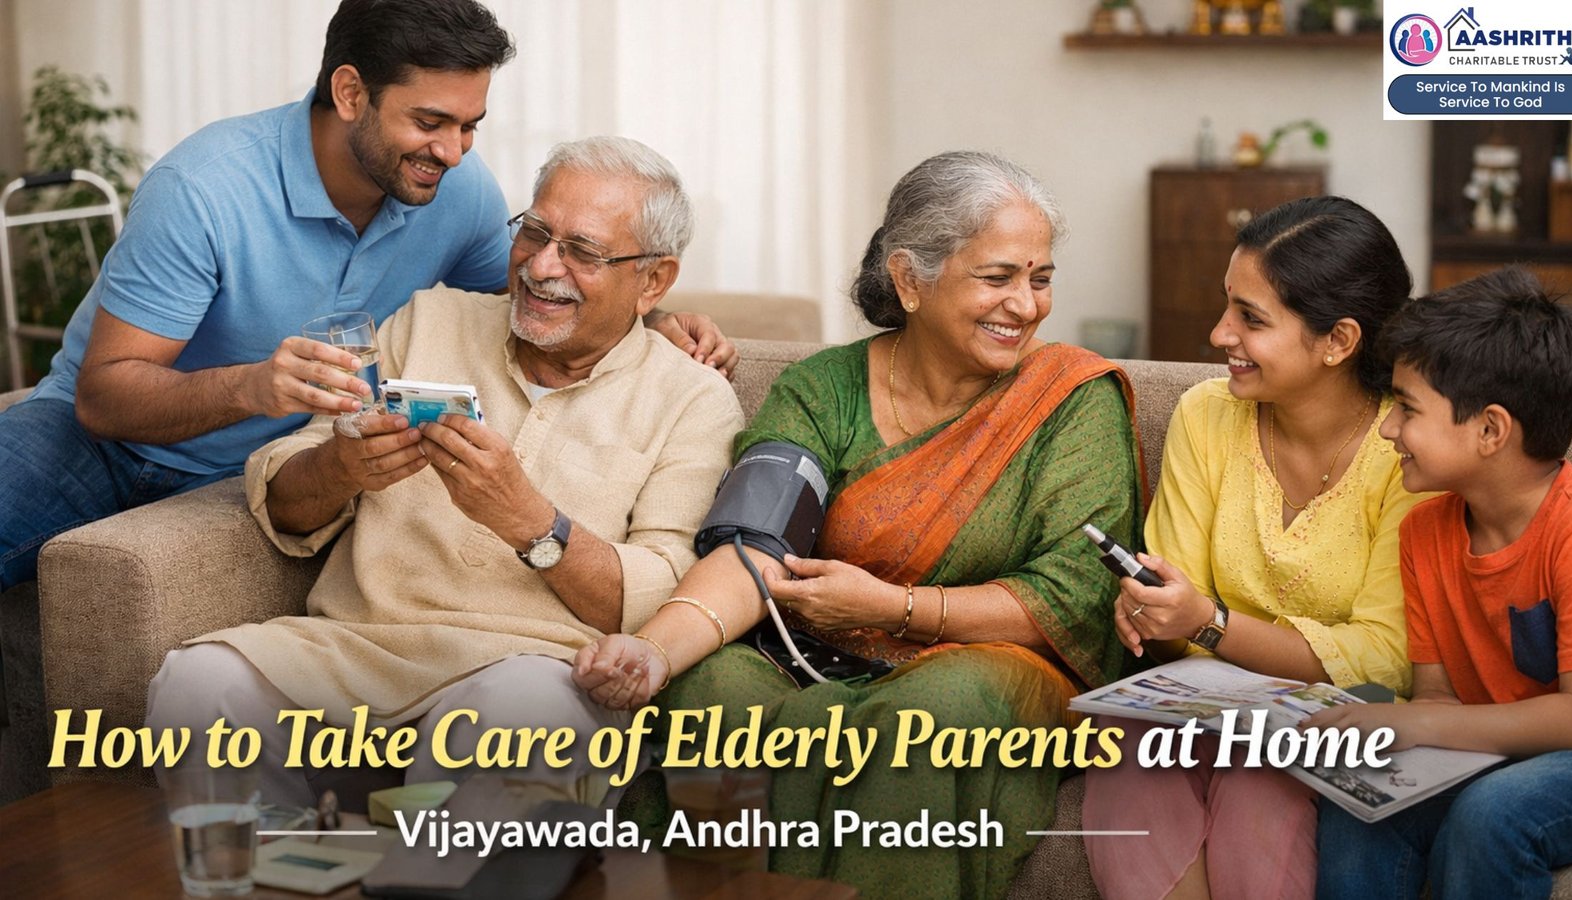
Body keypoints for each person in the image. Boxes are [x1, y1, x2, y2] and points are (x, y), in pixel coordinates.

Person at [0, 0, 732, 592]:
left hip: (251, 474)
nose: (452, 150)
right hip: (94, 442)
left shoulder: (457, 192)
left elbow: (538, 291)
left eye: (470, 126)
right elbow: (103, 397)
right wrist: (256, 387)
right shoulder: (206, 187)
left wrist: (655, 316)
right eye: (429, 122)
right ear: (350, 93)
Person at [571, 151, 1144, 899]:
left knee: (936, 712)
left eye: (1040, 280)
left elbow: (1075, 596)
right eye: (998, 278)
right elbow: (754, 543)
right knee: (712, 684)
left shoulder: (1070, 397)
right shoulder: (824, 387)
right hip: (816, 651)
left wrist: (896, 608)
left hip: (991, 663)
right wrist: (651, 650)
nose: (1027, 305)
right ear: (910, 280)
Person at [144, 136, 745, 807]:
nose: (543, 266)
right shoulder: (430, 317)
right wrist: (342, 465)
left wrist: (528, 521)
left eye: (582, 252)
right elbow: (285, 504)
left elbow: (661, 596)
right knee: (196, 685)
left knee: (511, 721)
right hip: (354, 647)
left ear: (654, 281)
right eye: (536, 233)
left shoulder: (693, 398)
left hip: (532, 667)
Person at [1082, 196, 1427, 900]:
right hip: (1206, 710)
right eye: (1225, 306)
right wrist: (1157, 613)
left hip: (1342, 724)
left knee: (1261, 775)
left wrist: (1208, 623)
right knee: (1127, 749)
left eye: (1251, 318)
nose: (1218, 334)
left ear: (1339, 341)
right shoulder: (1207, 415)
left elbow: (1387, 656)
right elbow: (1178, 610)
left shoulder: (1409, 449)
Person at [1309, 267, 1572, 900]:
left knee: (1495, 813)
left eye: (1408, 409)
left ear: (1490, 430)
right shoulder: (1424, 533)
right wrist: (1388, 727)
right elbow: (1436, 695)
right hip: (1494, 752)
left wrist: (1418, 726)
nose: (1388, 430)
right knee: (1363, 799)